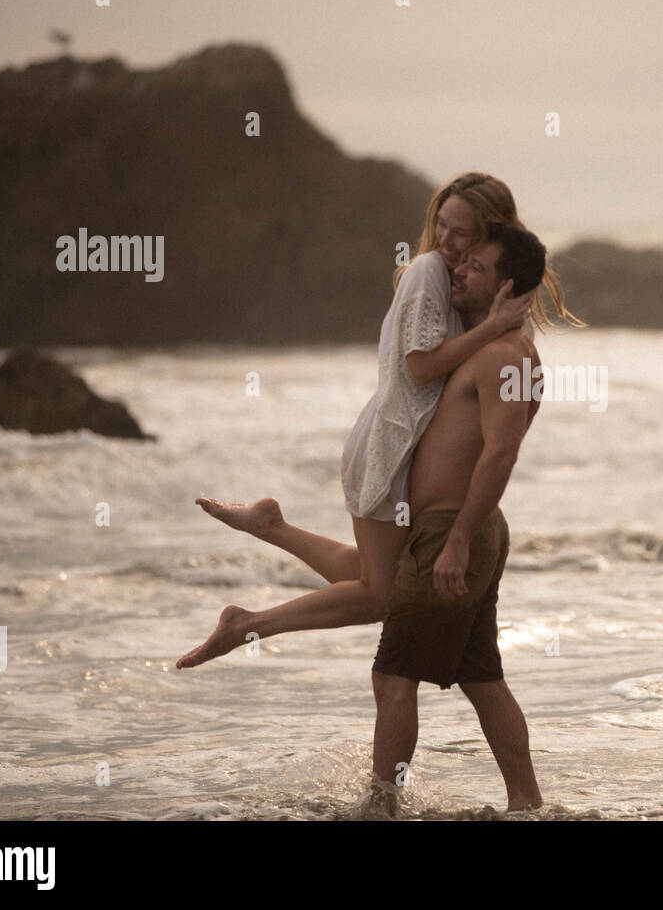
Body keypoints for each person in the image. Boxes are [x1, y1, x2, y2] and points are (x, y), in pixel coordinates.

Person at [176, 174, 579, 668]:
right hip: (388, 447)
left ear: (489, 237)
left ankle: (271, 526)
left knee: (373, 573)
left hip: (410, 447)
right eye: (441, 225)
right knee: (380, 595)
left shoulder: (472, 284)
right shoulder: (429, 272)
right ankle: (245, 624)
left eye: (462, 233)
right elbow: (423, 366)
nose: (447, 241)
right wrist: (495, 327)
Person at [369, 222, 547, 813]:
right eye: (461, 262)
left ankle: (382, 805)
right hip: (465, 527)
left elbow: (502, 451)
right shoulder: (511, 351)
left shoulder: (500, 356)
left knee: (394, 676)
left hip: (454, 529)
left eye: (476, 266)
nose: (460, 272)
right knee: (483, 679)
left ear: (508, 286)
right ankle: (525, 802)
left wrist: (457, 540)